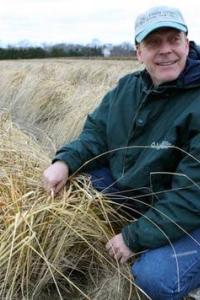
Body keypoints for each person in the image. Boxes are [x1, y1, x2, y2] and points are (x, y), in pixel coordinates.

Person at [43, 6, 200, 299]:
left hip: (194, 211)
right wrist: (64, 162)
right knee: (78, 185)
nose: (166, 50)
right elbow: (96, 135)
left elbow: (193, 194)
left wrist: (133, 237)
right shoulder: (127, 88)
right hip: (151, 197)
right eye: (154, 42)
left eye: (173, 39)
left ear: (186, 44)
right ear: (138, 52)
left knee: (153, 278)